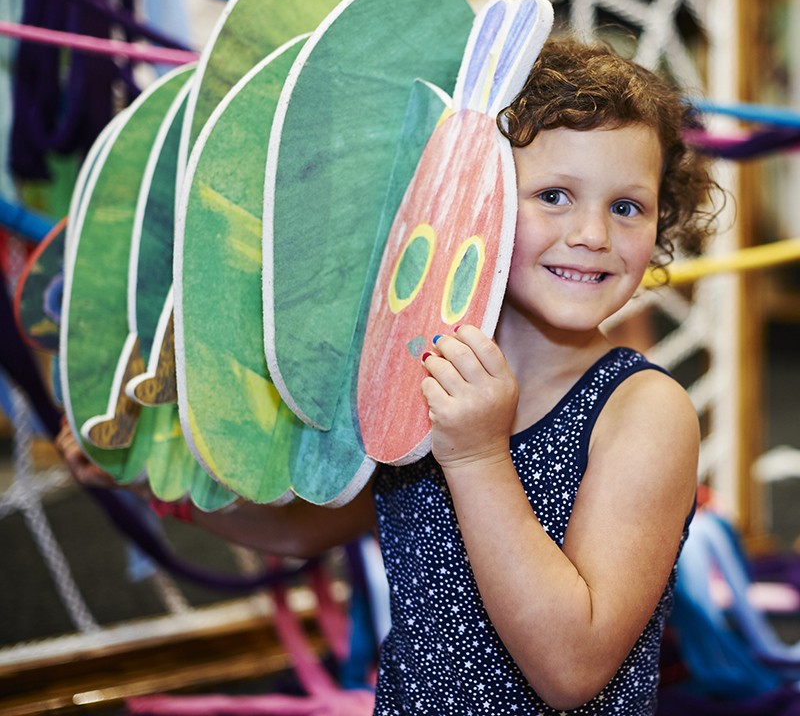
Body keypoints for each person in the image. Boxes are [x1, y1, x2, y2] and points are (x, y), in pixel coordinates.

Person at [57, 36, 721, 715]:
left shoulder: (643, 412)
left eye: (627, 206)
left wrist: (477, 453)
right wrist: (145, 481)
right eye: (554, 195)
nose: (593, 235)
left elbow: (572, 668)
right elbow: (304, 530)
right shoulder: (413, 366)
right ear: (473, 197)